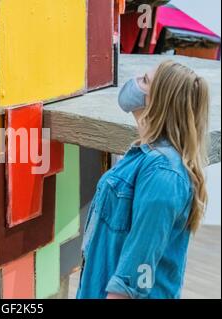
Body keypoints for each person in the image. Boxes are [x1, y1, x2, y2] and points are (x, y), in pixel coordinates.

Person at [76, 60, 210, 299]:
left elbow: (135, 274)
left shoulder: (164, 174)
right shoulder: (143, 154)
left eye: (145, 81)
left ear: (159, 102)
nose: (135, 81)